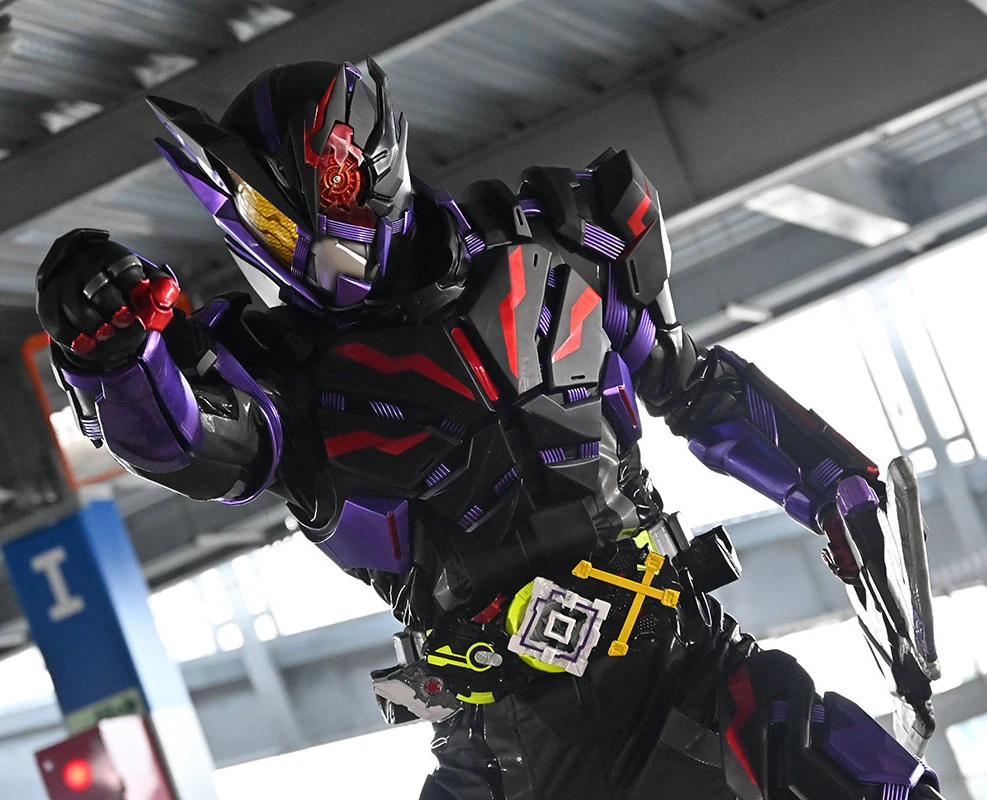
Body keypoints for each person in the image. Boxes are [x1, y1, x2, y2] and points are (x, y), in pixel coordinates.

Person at [35, 60, 943, 800]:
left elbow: (698, 387)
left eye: (325, 186)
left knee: (873, 784)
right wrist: (111, 349)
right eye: (269, 216)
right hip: (511, 745)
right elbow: (184, 440)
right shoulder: (274, 373)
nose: (303, 231)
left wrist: (836, 488)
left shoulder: (564, 242)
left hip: (686, 660)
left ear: (371, 156)